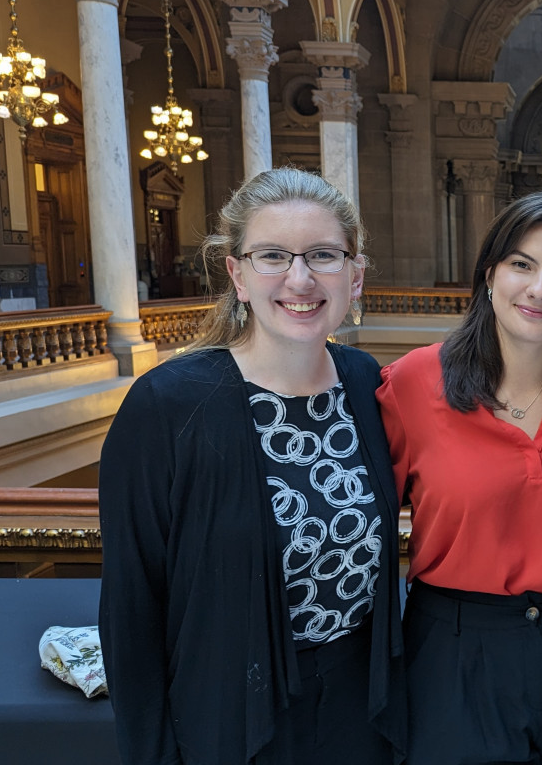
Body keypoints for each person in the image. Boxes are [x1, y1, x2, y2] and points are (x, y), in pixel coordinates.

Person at [98, 167, 406, 765]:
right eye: (272, 256)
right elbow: (132, 608)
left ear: (355, 275)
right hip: (228, 717)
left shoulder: (368, 384)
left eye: (323, 255)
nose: (300, 278)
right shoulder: (167, 405)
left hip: (358, 713)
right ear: (237, 274)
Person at [377, 192, 542, 764]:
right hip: (455, 648)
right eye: (522, 265)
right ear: (489, 275)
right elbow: (362, 524)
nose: (539, 290)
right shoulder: (414, 381)